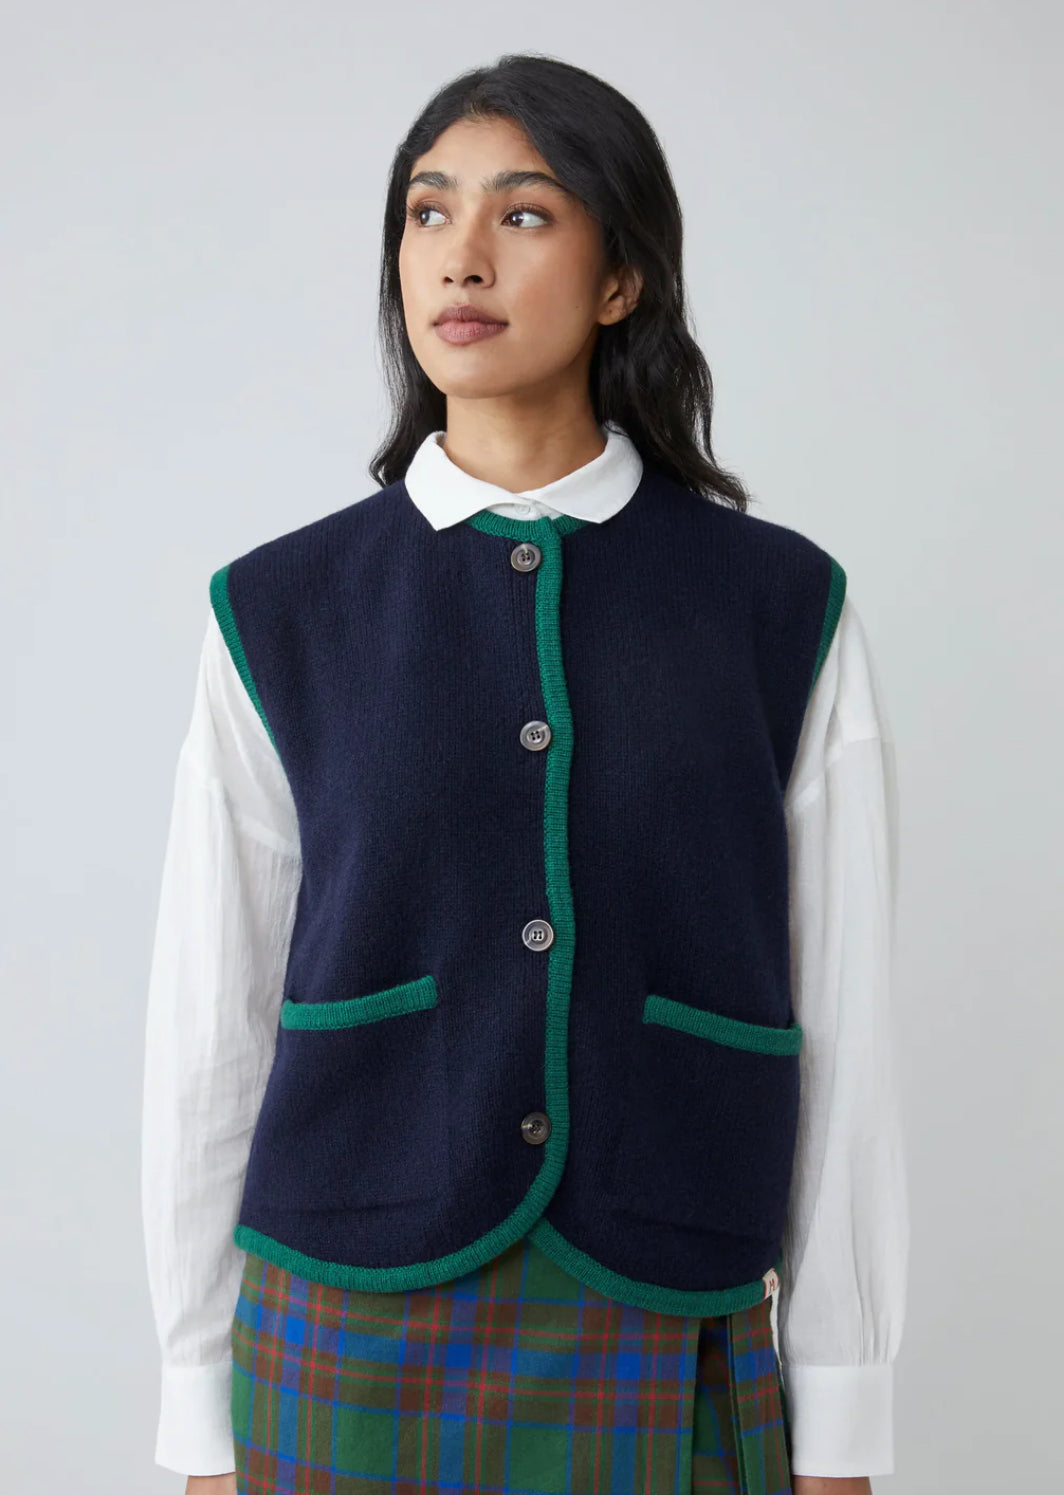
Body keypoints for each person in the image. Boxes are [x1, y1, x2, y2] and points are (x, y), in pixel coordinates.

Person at [141, 52, 908, 1495]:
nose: (462, 256)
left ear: (623, 280)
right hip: (346, 1315)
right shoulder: (282, 609)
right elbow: (210, 1022)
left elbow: (847, 1012)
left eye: (527, 213)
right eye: (428, 213)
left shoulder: (779, 607)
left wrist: (846, 1407)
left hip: (665, 1300)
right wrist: (194, 1402)